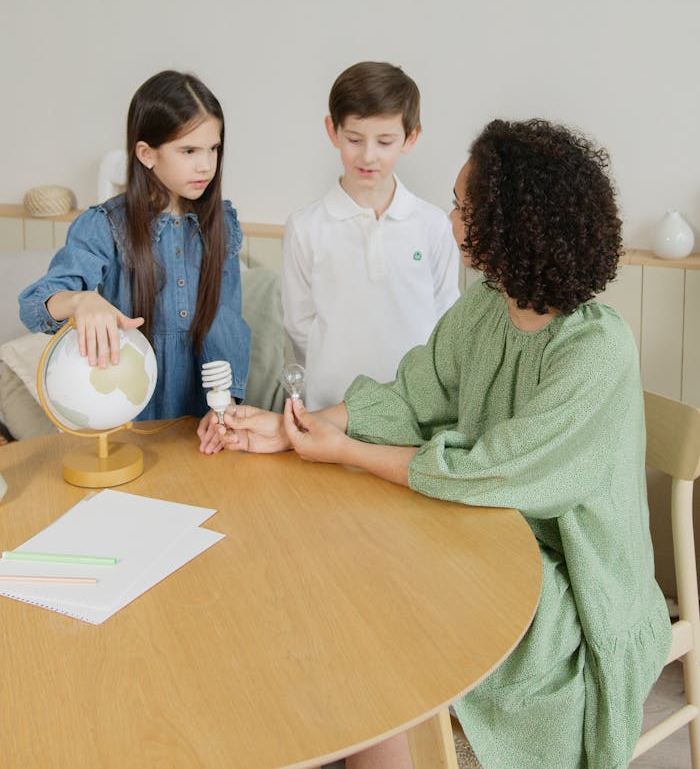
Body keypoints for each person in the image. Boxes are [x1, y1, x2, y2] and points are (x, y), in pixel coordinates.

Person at [218, 119, 671, 769]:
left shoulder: (596, 350)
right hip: (484, 530)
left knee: (389, 613)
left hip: (571, 580)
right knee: (366, 591)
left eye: (465, 206)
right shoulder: (486, 305)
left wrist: (346, 452)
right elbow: (413, 393)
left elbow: (491, 472)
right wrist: (310, 428)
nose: (451, 216)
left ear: (516, 225)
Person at [19, 70, 250, 454]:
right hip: (127, 411)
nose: (206, 166)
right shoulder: (103, 226)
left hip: (204, 419)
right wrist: (80, 302)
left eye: (214, 149)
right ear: (146, 153)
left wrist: (228, 402)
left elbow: (225, 322)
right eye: (189, 151)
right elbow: (36, 304)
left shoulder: (220, 223)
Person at [283, 61, 460, 410]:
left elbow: (446, 317)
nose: (368, 155)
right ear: (332, 131)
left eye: (384, 141)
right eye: (354, 139)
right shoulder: (306, 227)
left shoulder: (433, 224)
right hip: (330, 406)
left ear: (410, 138)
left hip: (416, 407)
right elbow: (299, 323)